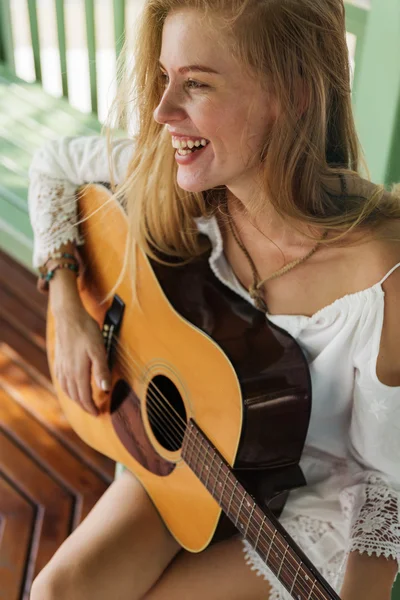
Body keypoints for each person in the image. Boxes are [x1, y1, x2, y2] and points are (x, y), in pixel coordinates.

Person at [27, 0, 400, 598]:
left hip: (314, 503)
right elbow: (52, 167)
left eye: (195, 84)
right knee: (56, 592)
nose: (162, 110)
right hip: (193, 439)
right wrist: (66, 299)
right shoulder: (178, 180)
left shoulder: (381, 280)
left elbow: (389, 485)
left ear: (294, 93)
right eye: (164, 77)